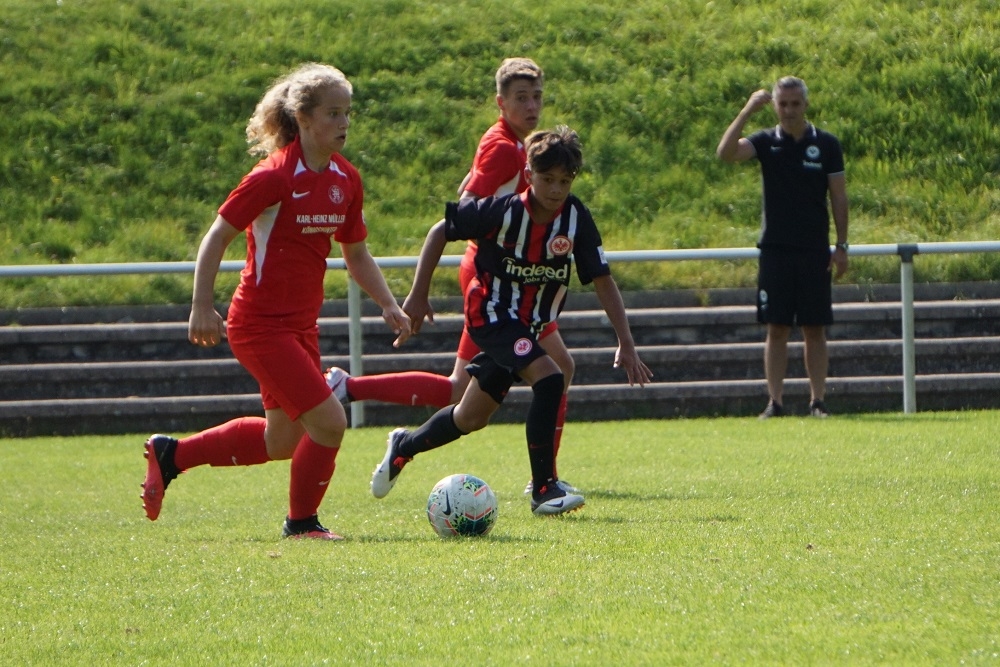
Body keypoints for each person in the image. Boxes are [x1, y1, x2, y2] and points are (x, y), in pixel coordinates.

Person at [139, 63, 410, 540]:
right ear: (303, 118)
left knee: (283, 440)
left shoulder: (346, 178)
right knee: (330, 422)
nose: (344, 123)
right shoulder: (273, 177)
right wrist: (201, 305)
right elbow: (217, 236)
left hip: (301, 326)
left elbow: (356, 252)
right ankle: (302, 524)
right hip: (260, 326)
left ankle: (173, 455)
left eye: (347, 113)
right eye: (333, 113)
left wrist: (387, 302)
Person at [369, 126, 653, 515]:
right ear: (528, 174)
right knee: (551, 377)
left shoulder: (576, 218)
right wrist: (418, 294)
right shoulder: (502, 211)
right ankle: (544, 489)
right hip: (491, 315)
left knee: (470, 417)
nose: (556, 189)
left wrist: (626, 342)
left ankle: (405, 446)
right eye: (547, 179)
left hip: (528, 325)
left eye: (565, 181)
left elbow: (603, 279)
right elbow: (440, 231)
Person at [325, 57, 579, 493]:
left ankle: (352, 389)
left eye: (537, 97)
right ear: (501, 102)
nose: (532, 106)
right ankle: (545, 480)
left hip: (511, 277)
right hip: (495, 280)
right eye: (521, 98)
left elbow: (477, 188)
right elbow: (466, 206)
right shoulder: (504, 148)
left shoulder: (515, 145)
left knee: (466, 389)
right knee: (548, 371)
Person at [716, 76, 850, 419]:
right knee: (776, 328)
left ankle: (817, 401)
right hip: (775, 249)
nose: (789, 110)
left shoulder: (826, 144)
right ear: (775, 106)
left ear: (805, 104)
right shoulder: (765, 141)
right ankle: (774, 402)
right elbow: (726, 153)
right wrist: (747, 110)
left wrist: (841, 245)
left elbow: (839, 196)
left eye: (795, 104)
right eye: (783, 104)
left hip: (814, 250)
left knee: (814, 328)